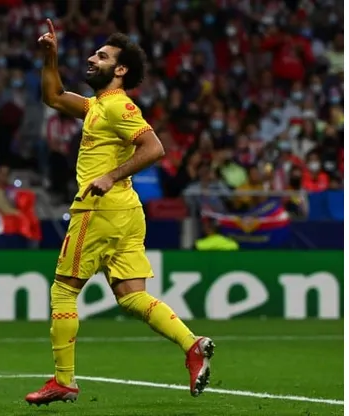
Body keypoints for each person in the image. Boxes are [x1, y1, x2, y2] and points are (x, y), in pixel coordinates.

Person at [25, 20, 215, 406]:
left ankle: (64, 380)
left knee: (63, 290)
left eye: (102, 56)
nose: (92, 59)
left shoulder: (118, 106)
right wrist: (50, 57)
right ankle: (192, 345)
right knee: (131, 296)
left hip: (99, 208)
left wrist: (111, 175)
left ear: (121, 69)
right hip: (126, 211)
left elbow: (154, 147)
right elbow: (54, 96)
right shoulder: (96, 105)